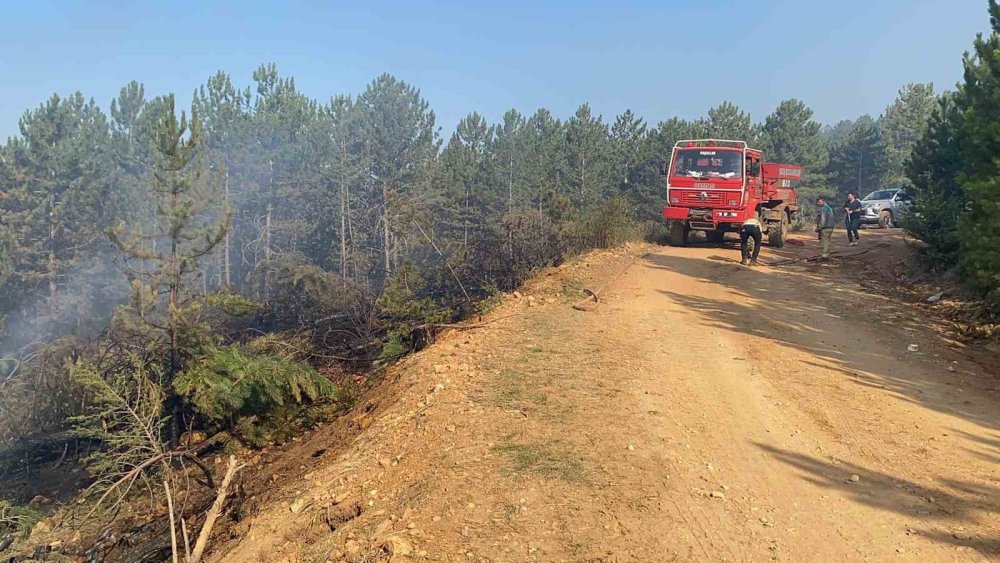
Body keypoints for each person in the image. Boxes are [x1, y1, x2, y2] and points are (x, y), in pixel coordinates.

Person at [816, 196, 835, 260]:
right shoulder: (829, 208)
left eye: (820, 202)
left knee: (825, 241)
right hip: (831, 227)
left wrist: (819, 227)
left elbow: (823, 219)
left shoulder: (824, 208)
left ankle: (824, 255)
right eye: (818, 202)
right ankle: (827, 254)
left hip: (826, 227)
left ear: (824, 201)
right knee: (828, 240)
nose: (818, 203)